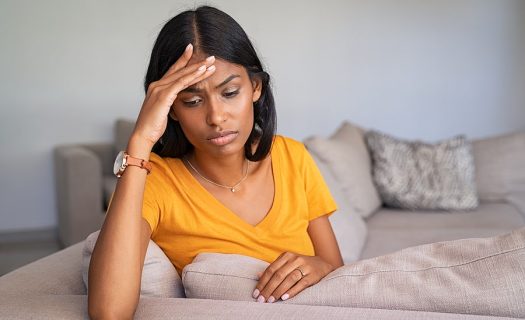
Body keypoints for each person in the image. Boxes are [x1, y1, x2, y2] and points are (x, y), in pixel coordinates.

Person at [88, 5, 344, 319]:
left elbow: (337, 271)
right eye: (192, 101)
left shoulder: (291, 156)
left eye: (230, 92)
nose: (216, 117)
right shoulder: (153, 181)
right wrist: (140, 140)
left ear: (256, 87)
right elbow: (108, 311)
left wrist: (320, 266)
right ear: (170, 108)